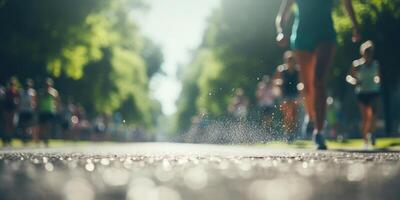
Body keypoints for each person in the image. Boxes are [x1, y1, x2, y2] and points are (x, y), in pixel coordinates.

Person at [276, 0, 360, 149]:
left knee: (319, 81)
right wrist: (281, 31)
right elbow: (282, 15)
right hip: (302, 36)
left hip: (326, 35)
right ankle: (311, 115)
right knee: (307, 87)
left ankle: (319, 131)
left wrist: (355, 25)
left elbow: (346, 3)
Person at [346, 40, 381, 149]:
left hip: (373, 91)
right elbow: (348, 77)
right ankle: (365, 139)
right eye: (366, 52)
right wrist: (355, 81)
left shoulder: (376, 64)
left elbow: (378, 76)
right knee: (366, 117)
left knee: (374, 114)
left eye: (370, 52)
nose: (368, 55)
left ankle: (372, 134)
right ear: (363, 53)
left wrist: (377, 80)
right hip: (362, 93)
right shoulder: (357, 65)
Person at [273, 51, 301, 143]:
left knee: (294, 115)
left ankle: (292, 132)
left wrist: (301, 94)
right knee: (287, 114)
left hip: (295, 94)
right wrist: (279, 83)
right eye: (289, 60)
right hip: (285, 94)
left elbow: (302, 82)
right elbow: (275, 81)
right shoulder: (281, 70)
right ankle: (288, 133)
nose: (290, 61)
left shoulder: (298, 70)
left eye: (292, 59)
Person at [38, 78, 60, 146]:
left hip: (50, 111)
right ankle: (44, 137)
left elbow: (57, 100)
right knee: (42, 126)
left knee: (48, 126)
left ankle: (47, 138)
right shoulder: (41, 92)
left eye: (48, 84)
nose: (47, 86)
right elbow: (38, 100)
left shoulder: (53, 92)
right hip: (42, 111)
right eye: (46, 84)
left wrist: (57, 108)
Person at [1, 78, 20, 146]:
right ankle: (5, 138)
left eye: (13, 84)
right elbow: (3, 101)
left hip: (12, 109)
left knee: (11, 124)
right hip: (7, 108)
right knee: (6, 123)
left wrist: (17, 107)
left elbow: (18, 101)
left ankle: (9, 138)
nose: (12, 86)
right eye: (11, 84)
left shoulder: (16, 92)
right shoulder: (6, 91)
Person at [18, 79, 37, 143]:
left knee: (28, 125)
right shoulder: (21, 92)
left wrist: (33, 106)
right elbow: (19, 101)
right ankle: (24, 137)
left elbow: (34, 102)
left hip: (29, 111)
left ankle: (27, 137)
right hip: (23, 110)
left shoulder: (32, 92)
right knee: (23, 125)